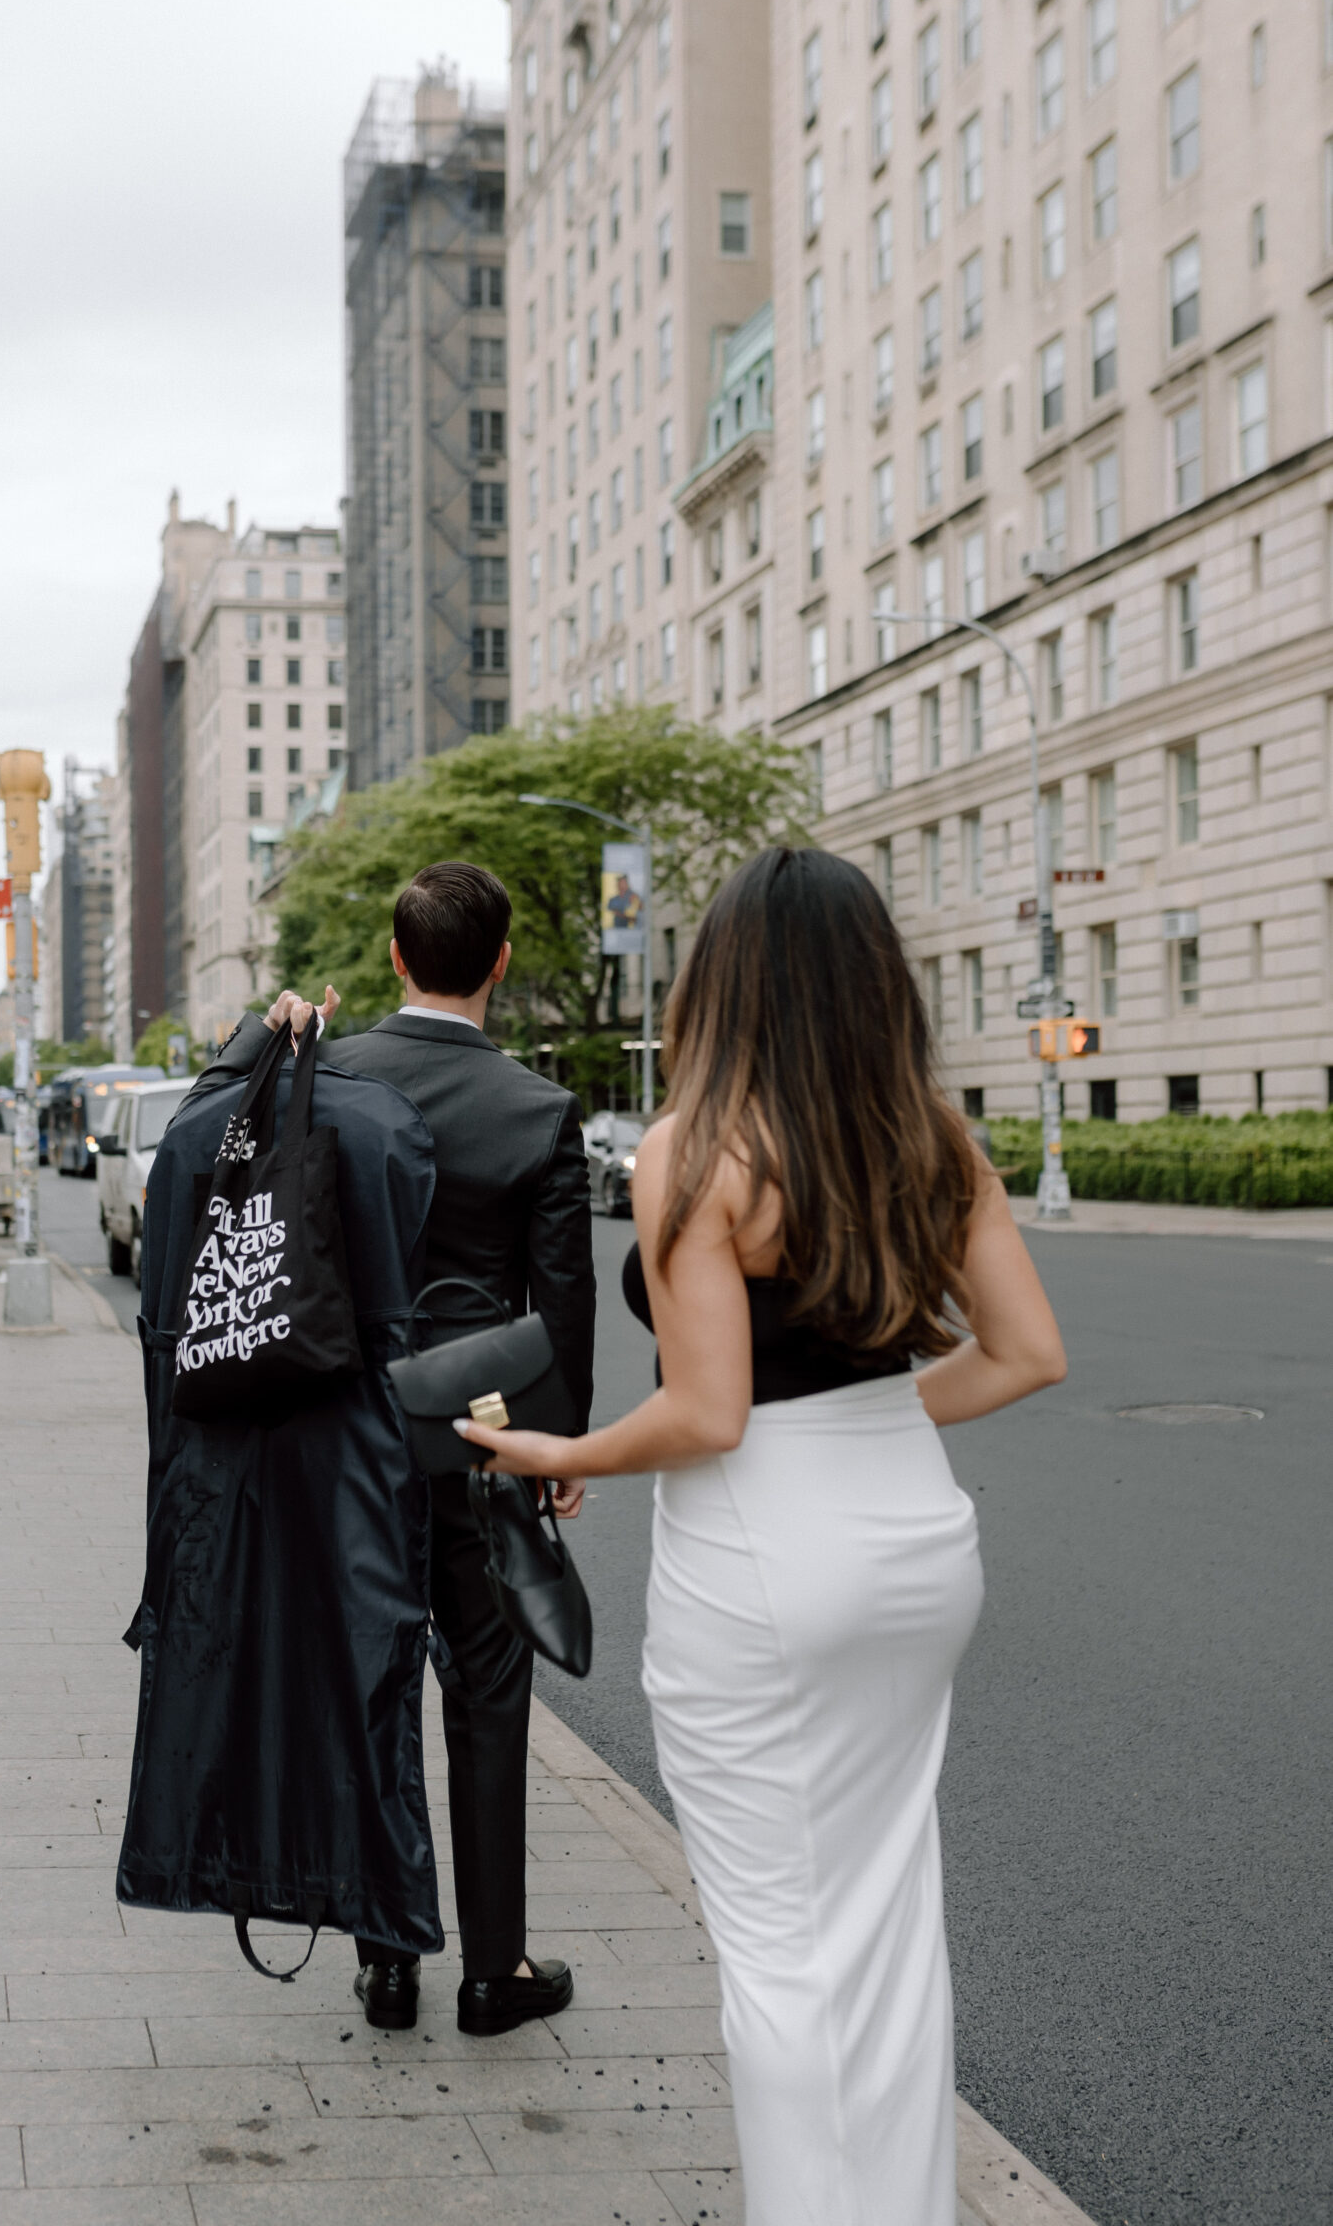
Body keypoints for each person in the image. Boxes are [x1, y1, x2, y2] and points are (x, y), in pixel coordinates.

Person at [457, 846, 1066, 2223]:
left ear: (723, 983)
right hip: (914, 1535)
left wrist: (562, 1450)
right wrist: (879, 1422)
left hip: (766, 1563)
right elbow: (1026, 1353)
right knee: (883, 1921)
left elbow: (710, 1412)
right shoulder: (932, 1136)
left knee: (783, 1949)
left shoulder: (697, 1148)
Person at [215, 861, 596, 2038]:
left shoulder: (330, 1072)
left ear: (393, 956)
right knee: (489, 1692)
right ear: (501, 961)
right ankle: (496, 1971)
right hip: (481, 1433)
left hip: (346, 1435)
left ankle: (388, 1960)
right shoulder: (539, 1109)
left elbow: (229, 1178)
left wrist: (262, 1036)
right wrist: (561, 1442)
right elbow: (564, 1297)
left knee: (370, 1687)